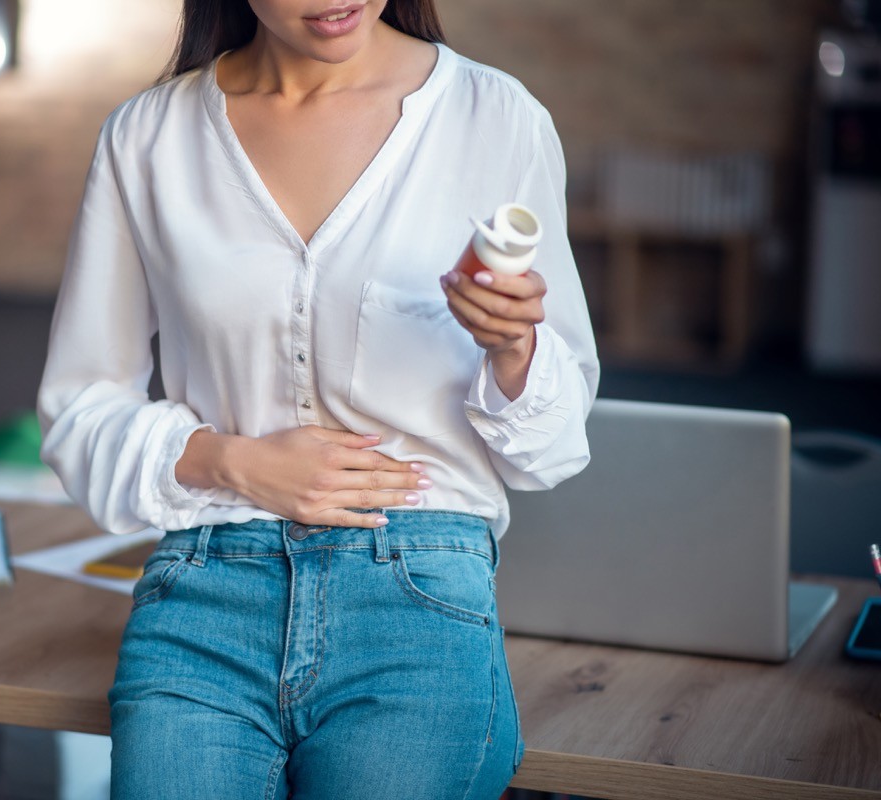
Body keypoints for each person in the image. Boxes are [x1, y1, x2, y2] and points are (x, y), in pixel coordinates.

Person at [38, 0, 599, 796]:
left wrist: (515, 346)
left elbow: (557, 443)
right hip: (204, 591)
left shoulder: (496, 116)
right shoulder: (148, 136)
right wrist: (229, 461)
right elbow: (78, 408)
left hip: (416, 595)